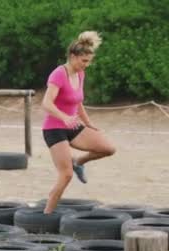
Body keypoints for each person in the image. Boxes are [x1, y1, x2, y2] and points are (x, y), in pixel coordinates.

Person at [41, 31, 116, 215]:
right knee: (65, 175)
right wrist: (64, 117)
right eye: (84, 61)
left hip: (74, 126)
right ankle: (45, 215)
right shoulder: (59, 74)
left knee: (108, 148)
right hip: (54, 129)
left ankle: (79, 162)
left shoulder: (80, 74)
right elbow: (46, 103)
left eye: (89, 61)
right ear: (73, 56)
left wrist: (88, 123)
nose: (87, 65)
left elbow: (77, 102)